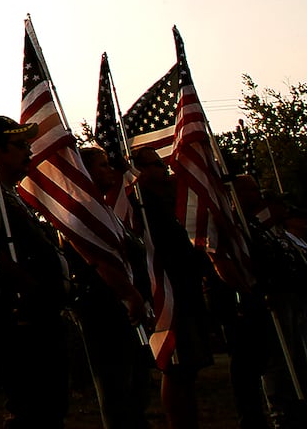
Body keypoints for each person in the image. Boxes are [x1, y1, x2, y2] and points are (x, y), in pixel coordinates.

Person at [0, 115, 72, 429]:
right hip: (19, 321)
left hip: (43, 316)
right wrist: (27, 286)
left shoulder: (12, 194)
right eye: (19, 145)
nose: (28, 152)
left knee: (51, 405)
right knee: (33, 408)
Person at [133, 146, 215, 429]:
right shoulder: (141, 206)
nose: (164, 169)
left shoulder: (165, 201)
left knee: (188, 367)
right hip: (168, 291)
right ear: (140, 170)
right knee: (175, 366)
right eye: (155, 165)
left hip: (186, 289)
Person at [71, 146, 151, 429]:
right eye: (102, 166)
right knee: (117, 391)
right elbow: (97, 261)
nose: (110, 170)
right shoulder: (80, 214)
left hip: (126, 312)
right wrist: (128, 294)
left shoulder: (107, 212)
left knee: (136, 391)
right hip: (103, 311)